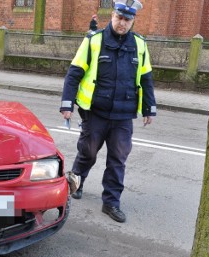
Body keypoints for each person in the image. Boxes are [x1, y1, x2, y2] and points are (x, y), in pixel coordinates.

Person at [60, 0, 156, 223]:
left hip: (124, 114)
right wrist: (67, 104)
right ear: (112, 16)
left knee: (118, 159)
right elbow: (74, 73)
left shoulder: (140, 45)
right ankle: (77, 182)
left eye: (127, 20)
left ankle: (111, 202)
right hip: (96, 112)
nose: (122, 23)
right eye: (119, 18)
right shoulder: (94, 41)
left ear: (132, 21)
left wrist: (149, 108)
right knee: (88, 152)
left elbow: (146, 78)